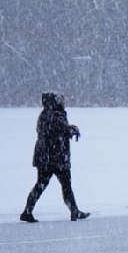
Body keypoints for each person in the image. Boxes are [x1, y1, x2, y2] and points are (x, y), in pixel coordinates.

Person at [20, 92, 90, 222]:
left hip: (44, 157)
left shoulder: (44, 114)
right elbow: (62, 131)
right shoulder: (56, 115)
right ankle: (74, 210)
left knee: (41, 185)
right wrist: (73, 130)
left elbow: (53, 132)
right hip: (56, 157)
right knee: (65, 185)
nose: (63, 102)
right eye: (60, 100)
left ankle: (28, 210)